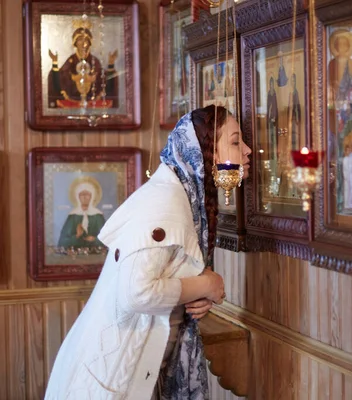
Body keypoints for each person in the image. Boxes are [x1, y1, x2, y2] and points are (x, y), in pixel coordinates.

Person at [45, 105, 252, 400]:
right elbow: (137, 293)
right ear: (204, 149)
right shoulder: (165, 201)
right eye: (235, 141)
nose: (247, 151)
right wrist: (208, 284)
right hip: (109, 376)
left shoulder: (178, 196)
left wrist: (196, 293)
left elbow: (167, 274)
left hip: (127, 370)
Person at [47, 22, 119, 109]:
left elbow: (101, 77)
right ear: (75, 42)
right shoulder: (71, 60)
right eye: (80, 39)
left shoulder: (94, 60)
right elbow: (62, 76)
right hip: (72, 98)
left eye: (86, 40)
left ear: (89, 43)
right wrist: (55, 62)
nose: (83, 43)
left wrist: (111, 63)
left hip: (92, 100)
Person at [57, 177, 106, 249]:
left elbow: (107, 239)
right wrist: (77, 236)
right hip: (74, 257)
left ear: (92, 196)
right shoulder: (73, 216)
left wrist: (94, 240)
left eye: (87, 194)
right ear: (78, 197)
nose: (84, 197)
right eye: (82, 194)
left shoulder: (98, 216)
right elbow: (62, 242)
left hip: (95, 255)